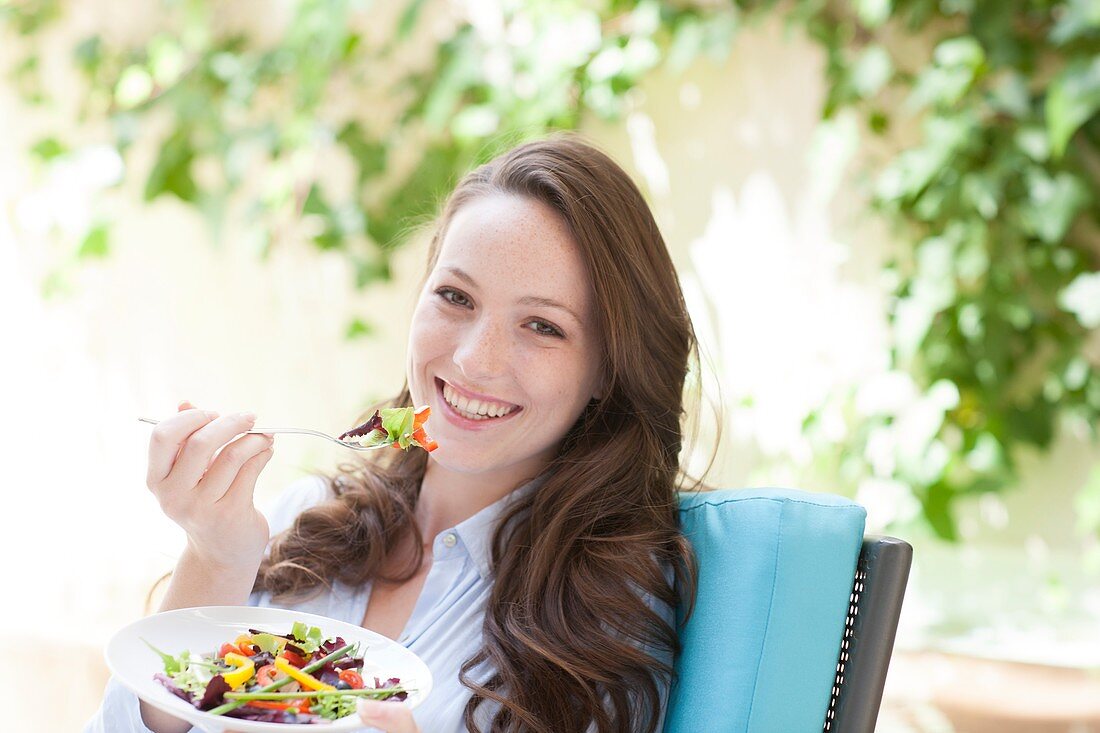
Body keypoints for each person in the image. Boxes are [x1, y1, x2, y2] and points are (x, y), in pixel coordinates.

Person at [84, 134, 708, 733]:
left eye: (543, 326)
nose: (474, 360)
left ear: (607, 367)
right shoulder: (305, 522)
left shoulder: (607, 618)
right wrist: (214, 558)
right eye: (456, 297)